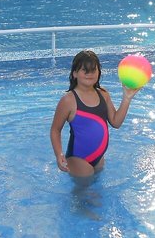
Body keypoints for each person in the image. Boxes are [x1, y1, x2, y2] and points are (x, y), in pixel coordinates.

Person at [50, 50, 140, 179]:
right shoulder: (68, 100)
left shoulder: (103, 94)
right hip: (77, 158)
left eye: (93, 70)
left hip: (98, 156)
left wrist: (127, 98)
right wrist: (59, 155)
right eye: (84, 70)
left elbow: (116, 122)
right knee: (87, 186)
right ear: (74, 73)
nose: (89, 74)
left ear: (99, 72)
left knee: (95, 185)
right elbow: (55, 130)